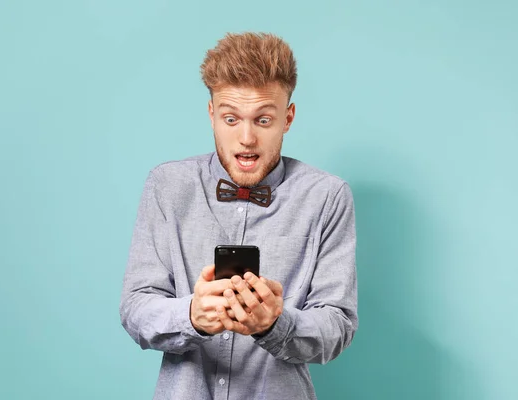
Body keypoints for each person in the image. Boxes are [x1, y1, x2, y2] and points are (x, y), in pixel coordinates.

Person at [120, 32, 358, 400]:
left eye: (263, 120)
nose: (246, 138)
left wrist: (277, 324)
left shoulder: (327, 197)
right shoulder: (166, 186)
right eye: (231, 119)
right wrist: (192, 316)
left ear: (288, 117)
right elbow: (136, 307)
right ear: (212, 113)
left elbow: (337, 324)